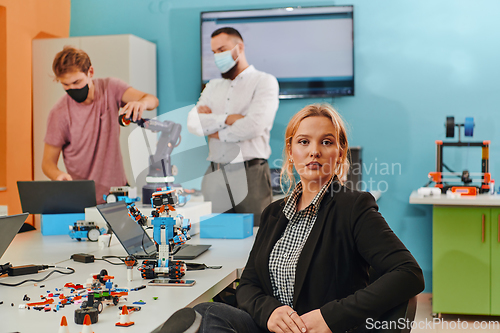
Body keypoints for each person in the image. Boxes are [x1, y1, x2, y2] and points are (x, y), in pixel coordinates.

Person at [188, 103, 424, 333]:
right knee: (204, 314)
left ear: (340, 153)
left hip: (324, 330)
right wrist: (270, 311)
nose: (314, 151)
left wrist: (330, 317)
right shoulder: (274, 213)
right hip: (273, 328)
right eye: (304, 141)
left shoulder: (353, 206)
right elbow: (249, 284)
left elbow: (408, 273)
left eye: (326, 142)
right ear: (291, 152)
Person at [42, 46, 159, 203]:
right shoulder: (59, 113)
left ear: (90, 72)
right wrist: (58, 175)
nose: (72, 89)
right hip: (84, 198)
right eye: (65, 85)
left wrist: (142, 104)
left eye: (76, 82)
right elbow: (47, 163)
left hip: (118, 194)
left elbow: (152, 100)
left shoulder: (111, 88)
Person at [187, 27, 279, 225]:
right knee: (216, 239)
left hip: (250, 173)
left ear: (239, 47)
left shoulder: (264, 82)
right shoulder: (212, 86)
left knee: (258, 235)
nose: (218, 56)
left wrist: (215, 131)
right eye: (214, 52)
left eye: (222, 49)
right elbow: (194, 124)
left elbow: (253, 126)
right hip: (215, 173)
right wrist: (228, 119)